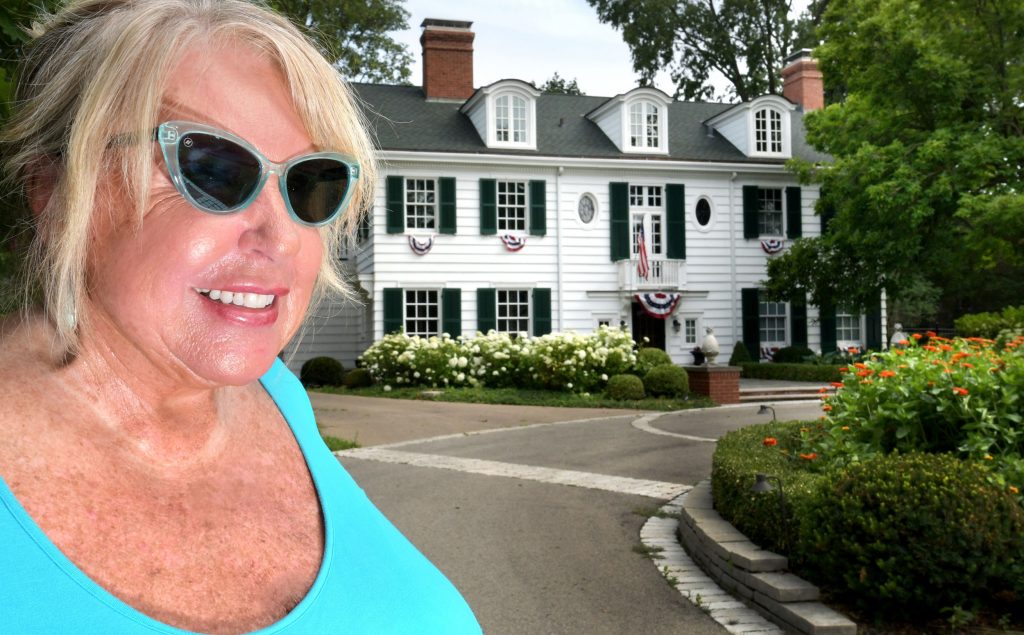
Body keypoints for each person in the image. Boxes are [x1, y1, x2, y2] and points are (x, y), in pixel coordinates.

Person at [0, 1, 481, 633]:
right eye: (214, 169)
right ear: (57, 194)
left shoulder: (280, 399)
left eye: (312, 182)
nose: (279, 236)